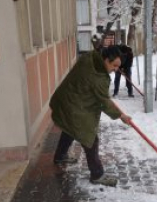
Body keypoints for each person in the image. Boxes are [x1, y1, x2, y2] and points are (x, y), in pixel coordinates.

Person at [49, 45, 131, 187]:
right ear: (105, 59)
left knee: (70, 129)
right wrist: (121, 116)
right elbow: (104, 102)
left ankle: (60, 157)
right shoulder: (97, 78)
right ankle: (97, 175)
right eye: (114, 65)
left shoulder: (89, 58)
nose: (115, 69)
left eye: (118, 66)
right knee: (91, 140)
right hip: (74, 105)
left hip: (65, 98)